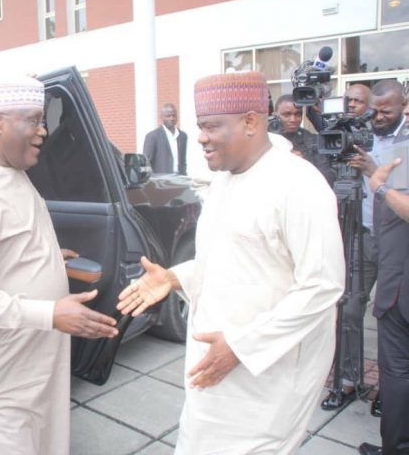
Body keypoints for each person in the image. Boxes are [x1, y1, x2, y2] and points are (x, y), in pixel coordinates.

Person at [117, 71, 345, 454]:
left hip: (267, 375)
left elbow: (322, 286)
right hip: (216, 363)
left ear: (251, 122)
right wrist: (174, 277)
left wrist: (241, 347)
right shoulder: (224, 180)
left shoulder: (299, 185)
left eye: (211, 127)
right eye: (199, 127)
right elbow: (232, 262)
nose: (201, 138)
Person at [0, 76, 119, 455]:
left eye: (42, 120)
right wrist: (51, 314)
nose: (43, 131)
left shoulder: (12, 170)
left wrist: (44, 255)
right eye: (33, 120)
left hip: (33, 361)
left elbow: (4, 240)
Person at [356, 84, 409, 455]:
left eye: (385, 110)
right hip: (384, 257)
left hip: (401, 283)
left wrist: (379, 186)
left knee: (398, 370)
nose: (377, 116)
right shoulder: (366, 134)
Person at [320, 83, 375, 411]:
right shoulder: (339, 136)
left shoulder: (388, 139)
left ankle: (392, 392)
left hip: (392, 236)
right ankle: (348, 379)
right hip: (357, 232)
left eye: (359, 101)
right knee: (350, 308)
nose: (352, 105)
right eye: (348, 100)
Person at [274, 93, 335, 184]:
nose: (293, 119)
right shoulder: (263, 139)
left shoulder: (314, 141)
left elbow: (327, 178)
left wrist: (304, 163)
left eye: (298, 114)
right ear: (275, 115)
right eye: (287, 114)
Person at [143, 103, 188, 174]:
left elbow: (183, 160)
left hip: (180, 177)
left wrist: (184, 175)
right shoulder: (152, 136)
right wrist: (152, 178)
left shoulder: (183, 136)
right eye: (168, 116)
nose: (171, 118)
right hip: (161, 178)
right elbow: (146, 162)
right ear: (161, 117)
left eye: (174, 115)